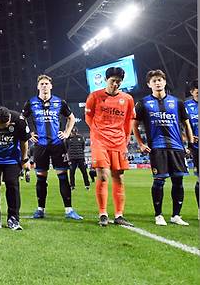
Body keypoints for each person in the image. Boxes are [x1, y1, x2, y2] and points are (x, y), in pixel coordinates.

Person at [132, 70, 193, 226]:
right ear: (149, 84)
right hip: (157, 148)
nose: (157, 83)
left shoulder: (177, 102)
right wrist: (140, 143)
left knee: (178, 181)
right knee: (159, 181)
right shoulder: (143, 103)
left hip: (177, 147)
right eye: (154, 81)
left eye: (160, 80)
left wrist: (189, 143)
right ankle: (158, 215)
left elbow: (186, 123)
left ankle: (176, 215)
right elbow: (134, 124)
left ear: (165, 82)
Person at [22, 75, 82, 220]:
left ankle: (69, 210)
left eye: (46, 83)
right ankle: (40, 210)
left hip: (57, 144)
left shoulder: (59, 102)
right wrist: (29, 133)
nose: (44, 86)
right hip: (40, 145)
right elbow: (21, 119)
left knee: (63, 177)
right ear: (38, 87)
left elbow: (71, 118)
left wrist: (67, 133)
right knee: (41, 179)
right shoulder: (31, 103)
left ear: (51, 86)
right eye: (41, 84)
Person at [85, 67, 134, 227]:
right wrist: (97, 131)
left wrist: (125, 140)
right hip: (100, 140)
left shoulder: (127, 99)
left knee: (118, 177)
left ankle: (119, 215)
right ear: (107, 80)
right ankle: (103, 213)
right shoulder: (95, 96)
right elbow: (88, 117)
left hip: (119, 142)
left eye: (118, 82)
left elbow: (128, 121)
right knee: (103, 175)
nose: (115, 84)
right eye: (113, 81)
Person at [183, 79, 199, 206]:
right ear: (192, 92)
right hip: (196, 148)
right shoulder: (186, 105)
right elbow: (177, 124)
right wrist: (188, 137)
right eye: (197, 93)